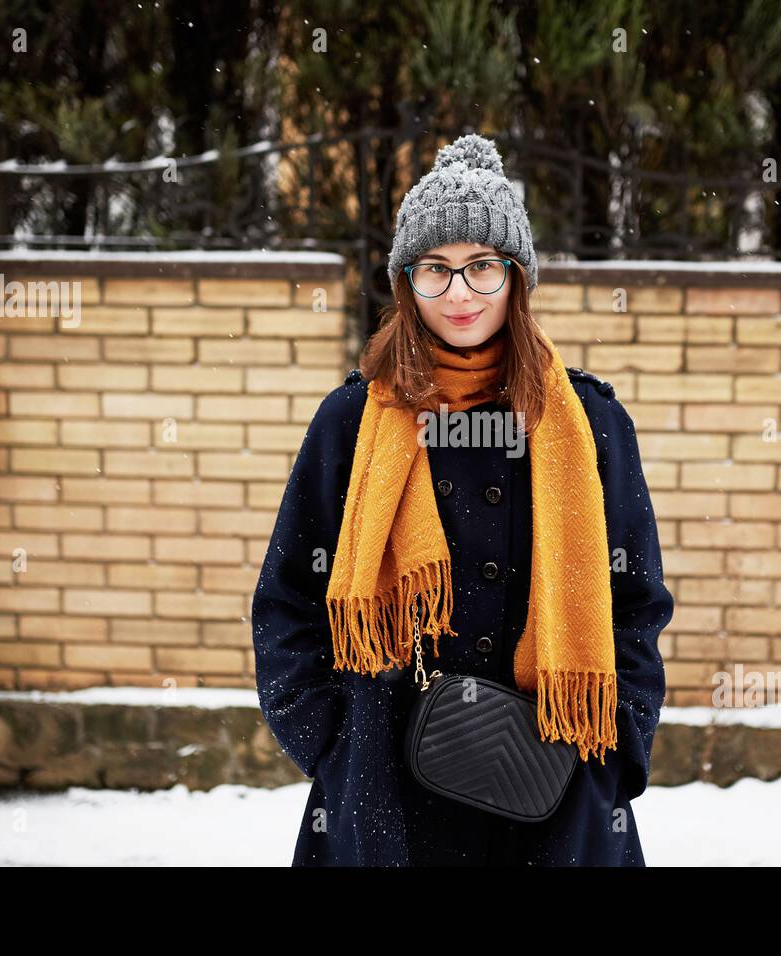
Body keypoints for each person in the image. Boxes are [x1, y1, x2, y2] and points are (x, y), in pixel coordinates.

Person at [250, 133, 673, 866]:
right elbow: (288, 602)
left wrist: (613, 756)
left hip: (554, 789)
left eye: (482, 267)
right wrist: (336, 748)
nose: (459, 294)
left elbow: (635, 600)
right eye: (435, 270)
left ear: (517, 277)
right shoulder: (351, 422)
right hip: (387, 796)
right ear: (405, 281)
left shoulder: (591, 424)